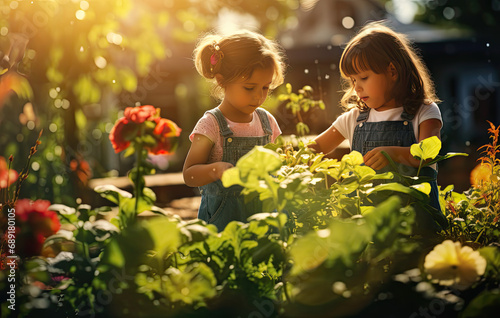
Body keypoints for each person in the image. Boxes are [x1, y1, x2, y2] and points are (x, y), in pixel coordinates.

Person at [309, 22, 447, 234]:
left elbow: (428, 155)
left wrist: (392, 153)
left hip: (414, 225)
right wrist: (287, 158)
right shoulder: (354, 118)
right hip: (366, 227)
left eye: (364, 77)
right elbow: (316, 148)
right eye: (353, 80)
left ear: (392, 71)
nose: (357, 87)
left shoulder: (424, 112)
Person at [183, 29, 286, 231]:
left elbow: (278, 165)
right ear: (222, 80)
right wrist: (216, 170)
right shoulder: (211, 125)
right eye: (249, 88)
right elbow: (189, 175)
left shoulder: (267, 123)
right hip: (223, 225)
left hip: (263, 221)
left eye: (265, 88)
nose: (258, 97)